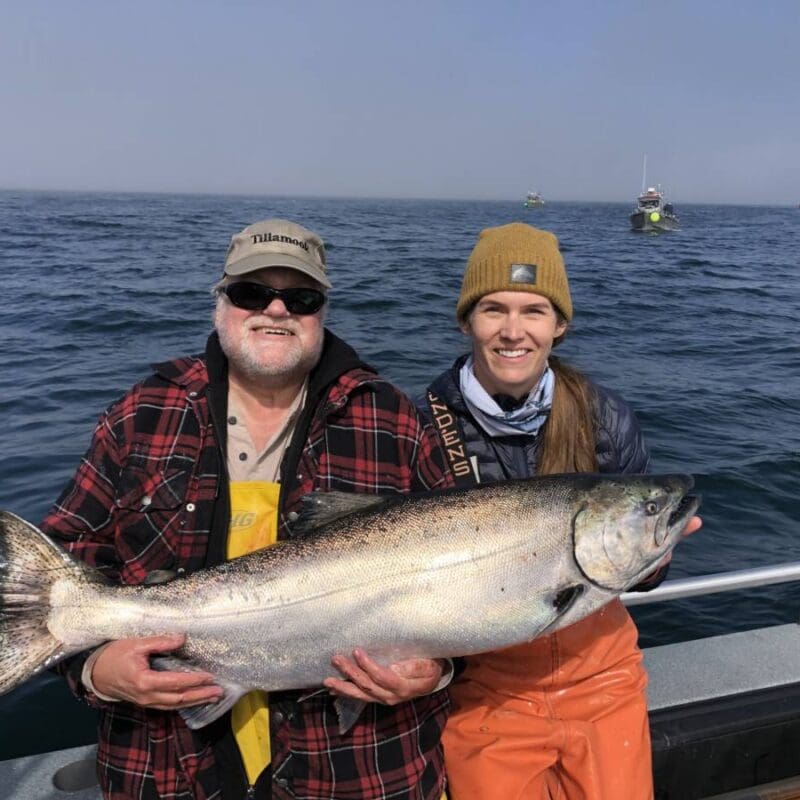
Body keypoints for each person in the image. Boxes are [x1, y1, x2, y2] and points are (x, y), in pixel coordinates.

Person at [41, 218, 455, 800]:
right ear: (221, 300)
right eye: (252, 293)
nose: (277, 310)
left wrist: (436, 670)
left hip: (357, 771)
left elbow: (466, 577)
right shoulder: (143, 414)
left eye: (302, 297)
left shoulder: (394, 421)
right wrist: (96, 671)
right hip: (166, 769)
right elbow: (61, 563)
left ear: (322, 312)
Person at [420, 222, 702, 800]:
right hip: (485, 692)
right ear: (466, 320)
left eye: (535, 311)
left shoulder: (606, 417)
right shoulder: (424, 426)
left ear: (560, 325)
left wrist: (651, 562)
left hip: (604, 681)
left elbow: (645, 568)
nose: (513, 331)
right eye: (493, 309)